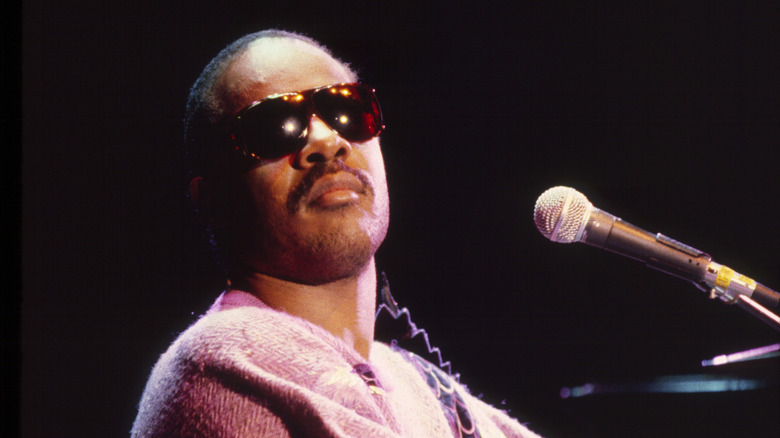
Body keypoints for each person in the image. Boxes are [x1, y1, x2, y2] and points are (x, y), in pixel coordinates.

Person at [131, 29, 542, 437]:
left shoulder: (416, 381)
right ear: (213, 200)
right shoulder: (226, 363)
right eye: (274, 125)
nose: (328, 140)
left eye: (347, 108)